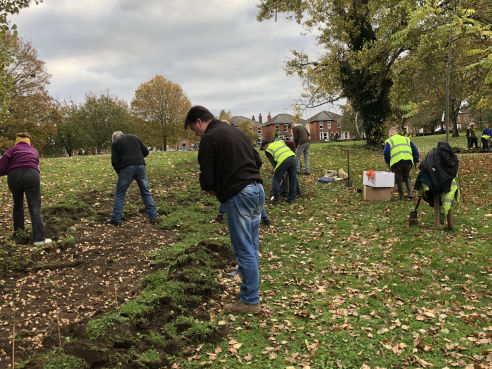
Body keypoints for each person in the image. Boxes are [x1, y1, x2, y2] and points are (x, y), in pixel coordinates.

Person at [185, 106, 264, 314]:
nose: (196, 133)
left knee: (243, 248)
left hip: (240, 194)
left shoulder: (209, 138)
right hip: (257, 189)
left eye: (194, 129)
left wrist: (213, 188)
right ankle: (247, 282)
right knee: (252, 243)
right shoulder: (235, 131)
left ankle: (250, 301)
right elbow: (257, 160)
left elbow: (207, 176)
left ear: (199, 121)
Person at [0, 132, 52, 245]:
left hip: (15, 176)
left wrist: (10, 169)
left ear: (17, 140)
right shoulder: (34, 151)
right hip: (32, 175)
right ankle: (39, 239)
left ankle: (19, 236)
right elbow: (35, 163)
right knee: (35, 207)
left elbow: (1, 168)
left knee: (18, 205)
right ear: (29, 141)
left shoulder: (11, 150)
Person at [108, 131, 157, 226]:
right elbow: (146, 152)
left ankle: (116, 219)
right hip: (141, 166)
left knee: (120, 194)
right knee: (146, 192)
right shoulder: (135, 137)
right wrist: (137, 158)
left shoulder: (115, 144)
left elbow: (114, 161)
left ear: (115, 138)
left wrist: (119, 172)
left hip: (126, 169)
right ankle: (153, 216)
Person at [383, 127, 419, 200]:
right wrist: (416, 160)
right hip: (408, 160)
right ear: (397, 132)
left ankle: (402, 196)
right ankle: (410, 193)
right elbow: (415, 150)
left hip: (396, 162)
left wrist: (388, 162)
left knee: (398, 178)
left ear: (390, 134)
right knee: (406, 176)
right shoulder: (406, 139)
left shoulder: (389, 141)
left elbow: (386, 152)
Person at [261, 139, 298, 204]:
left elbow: (274, 164)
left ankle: (276, 198)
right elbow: (291, 142)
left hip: (282, 160)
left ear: (265, 145)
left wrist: (280, 174)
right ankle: (291, 199)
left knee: (276, 179)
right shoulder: (280, 142)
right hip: (293, 157)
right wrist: (293, 152)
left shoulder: (268, 151)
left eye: (263, 148)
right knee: (293, 179)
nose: (264, 150)